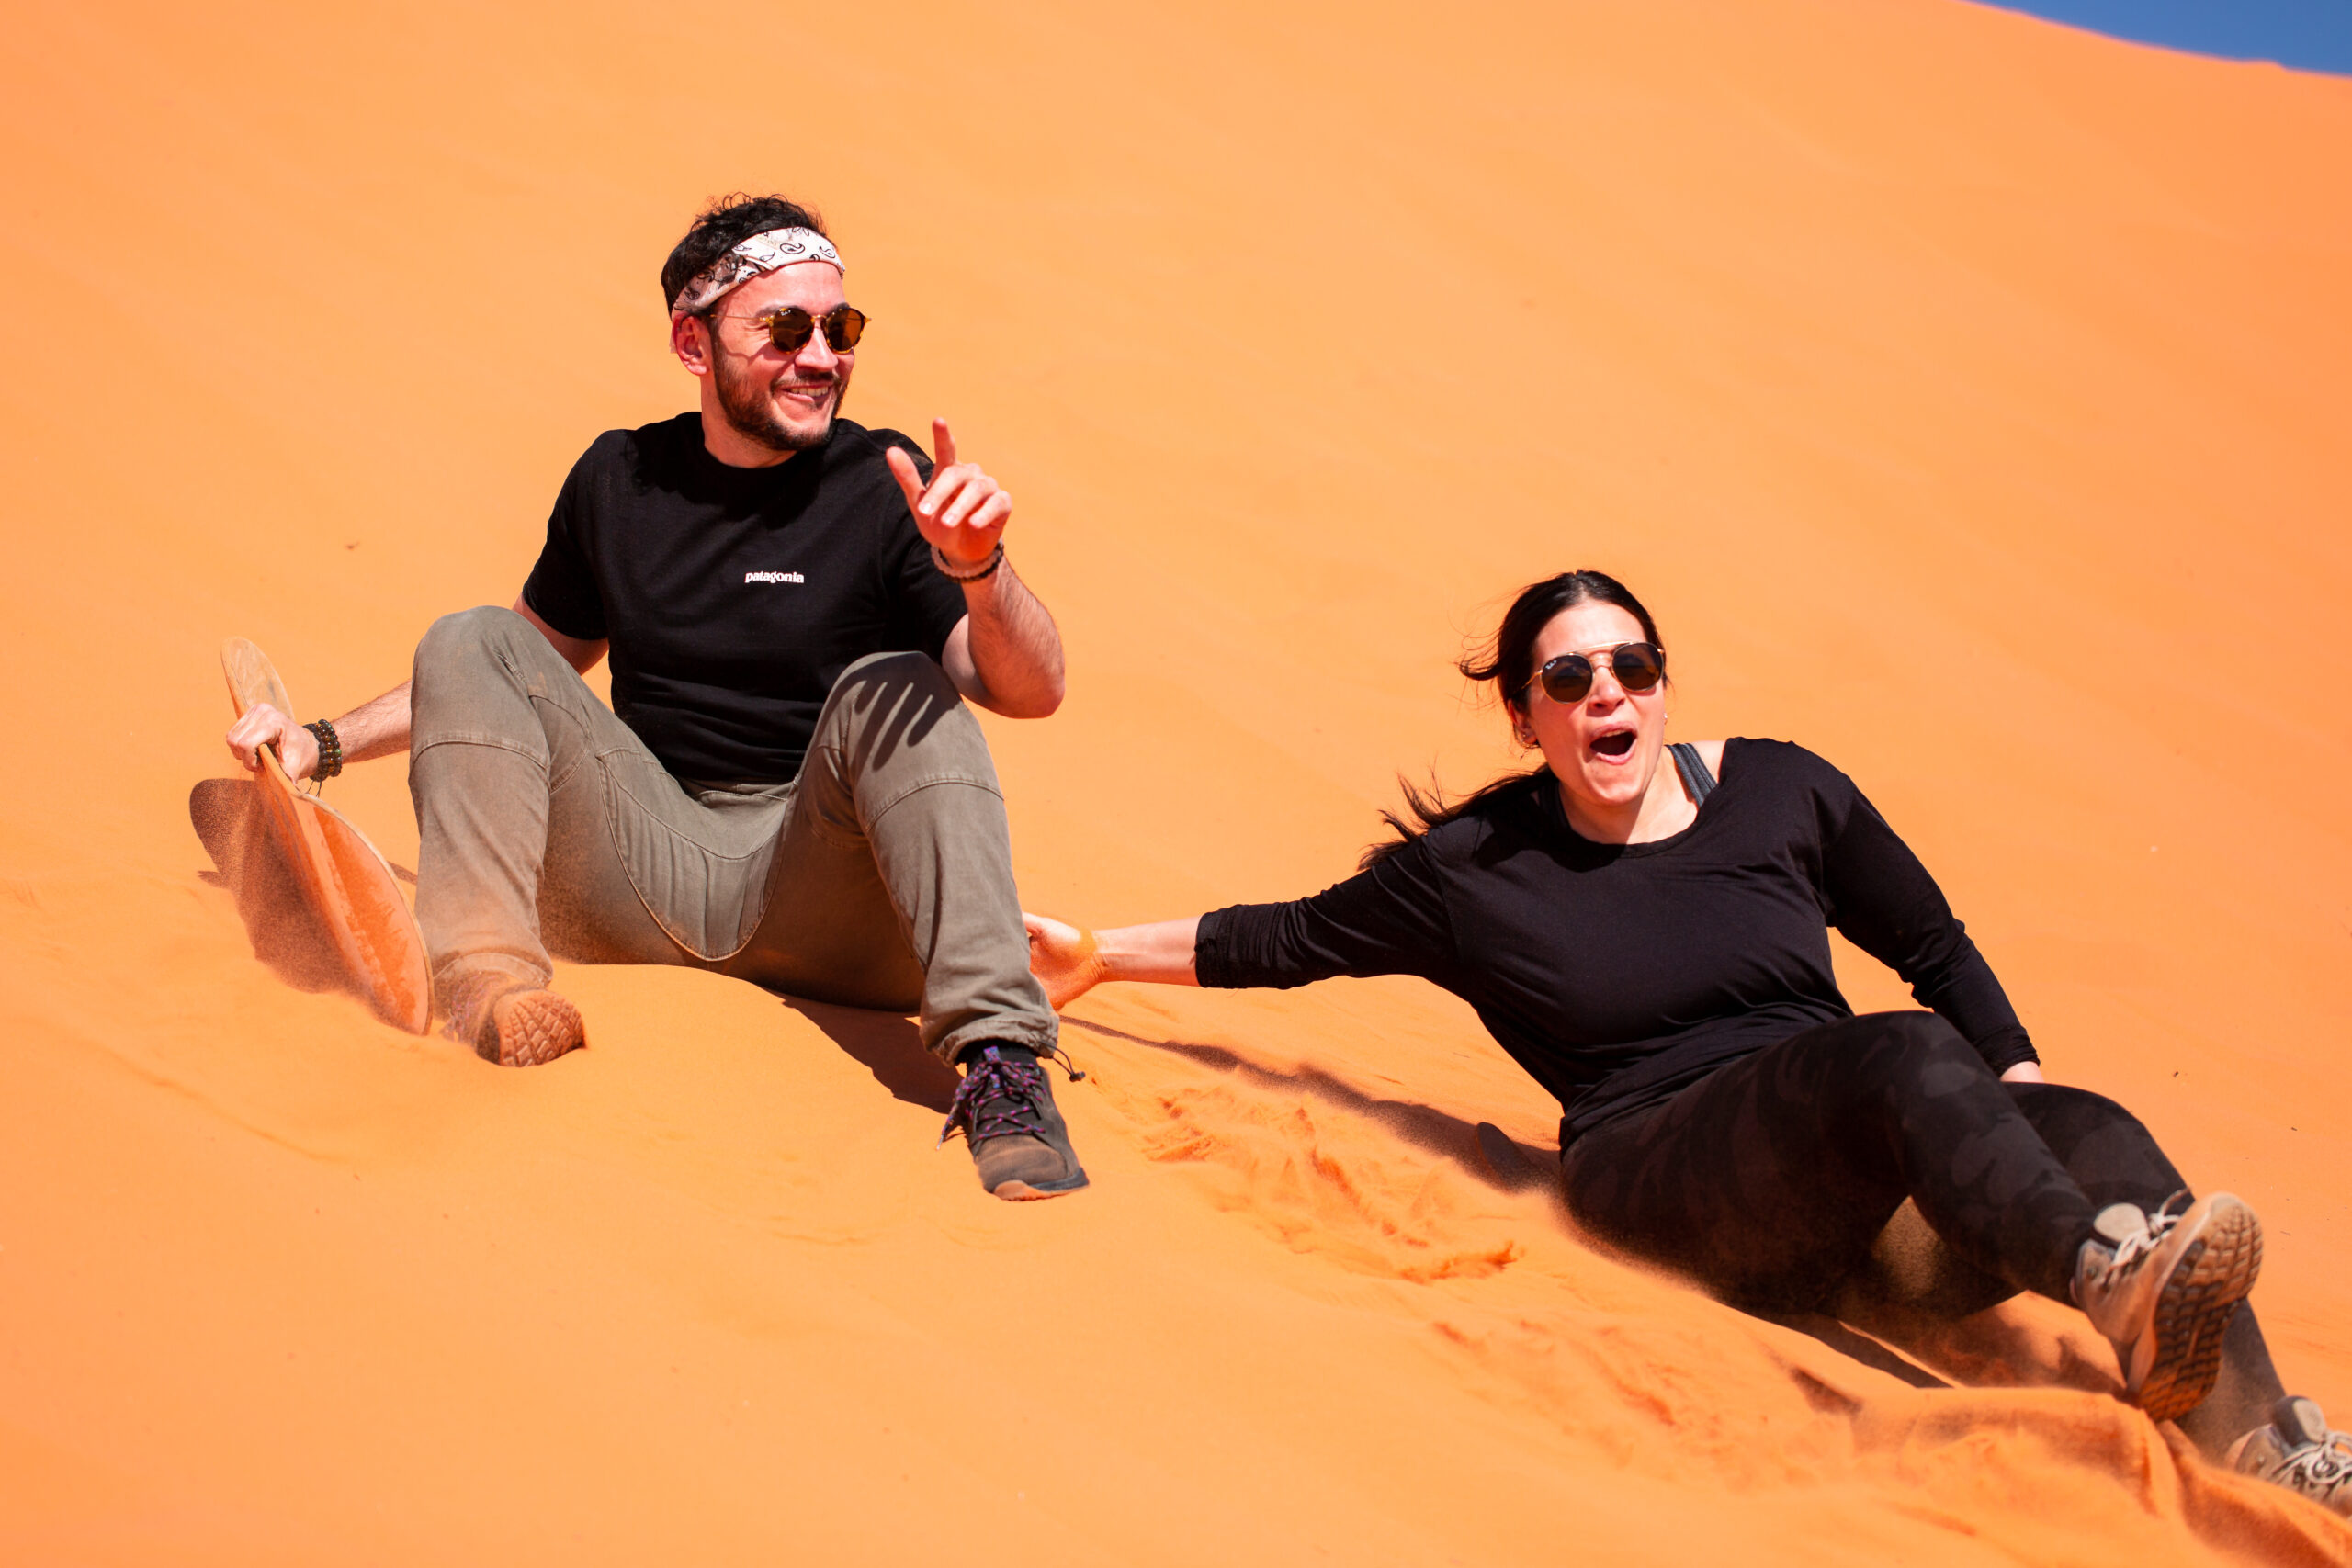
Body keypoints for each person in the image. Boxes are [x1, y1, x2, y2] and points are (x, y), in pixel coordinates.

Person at [1023, 570, 2350, 1510]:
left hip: (1851, 1199)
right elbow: (1288, 936)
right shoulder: (1476, 866)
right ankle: (2104, 1276)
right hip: (1662, 1178)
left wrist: (2018, 1087)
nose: (1609, 692)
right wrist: (1097, 955)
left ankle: (2264, 1442)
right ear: (1526, 715)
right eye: (1570, 675)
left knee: (2096, 1125)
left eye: (1632, 667)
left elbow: (1933, 944)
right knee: (1893, 1053)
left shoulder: (1784, 788)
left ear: (1661, 685)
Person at [226, 194, 1087, 1201]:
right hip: (645, 869)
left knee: (899, 685)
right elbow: (498, 678)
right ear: (692, 341)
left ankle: (1003, 1068)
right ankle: (487, 987)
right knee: (469, 634)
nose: (823, 356)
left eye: (840, 328)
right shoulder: (618, 480)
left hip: (833, 900)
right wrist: (319, 744)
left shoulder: (881, 482)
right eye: (786, 328)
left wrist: (980, 571)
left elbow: (1033, 692)